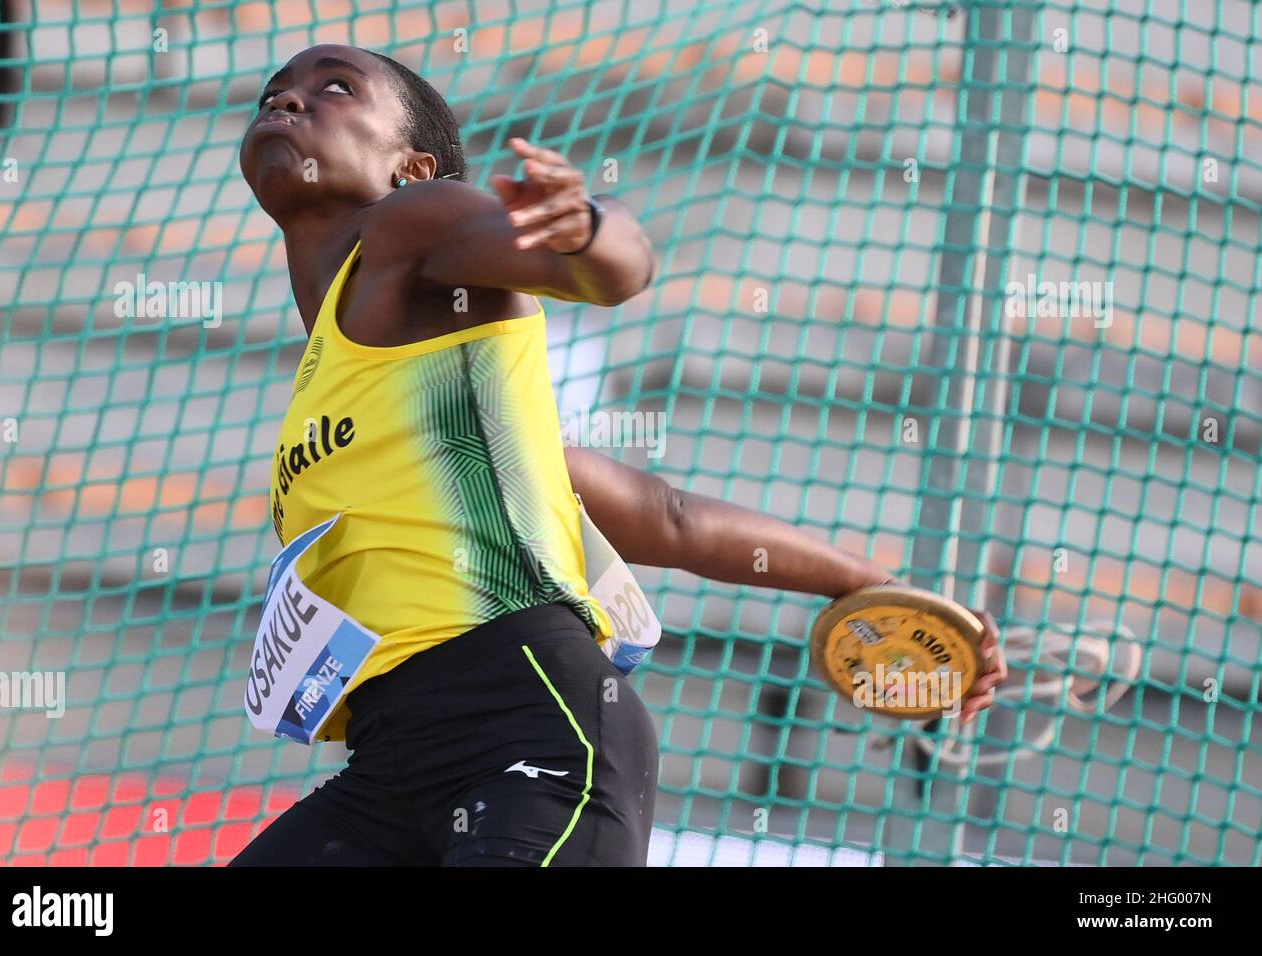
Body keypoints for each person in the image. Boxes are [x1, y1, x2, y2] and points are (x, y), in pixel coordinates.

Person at [230, 44, 1007, 867]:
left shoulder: (409, 226)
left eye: (335, 89)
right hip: (391, 768)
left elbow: (617, 271)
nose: (286, 102)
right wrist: (863, 584)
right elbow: (662, 518)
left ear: (412, 169)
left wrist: (589, 230)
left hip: (530, 729)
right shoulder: (391, 391)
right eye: (274, 91)